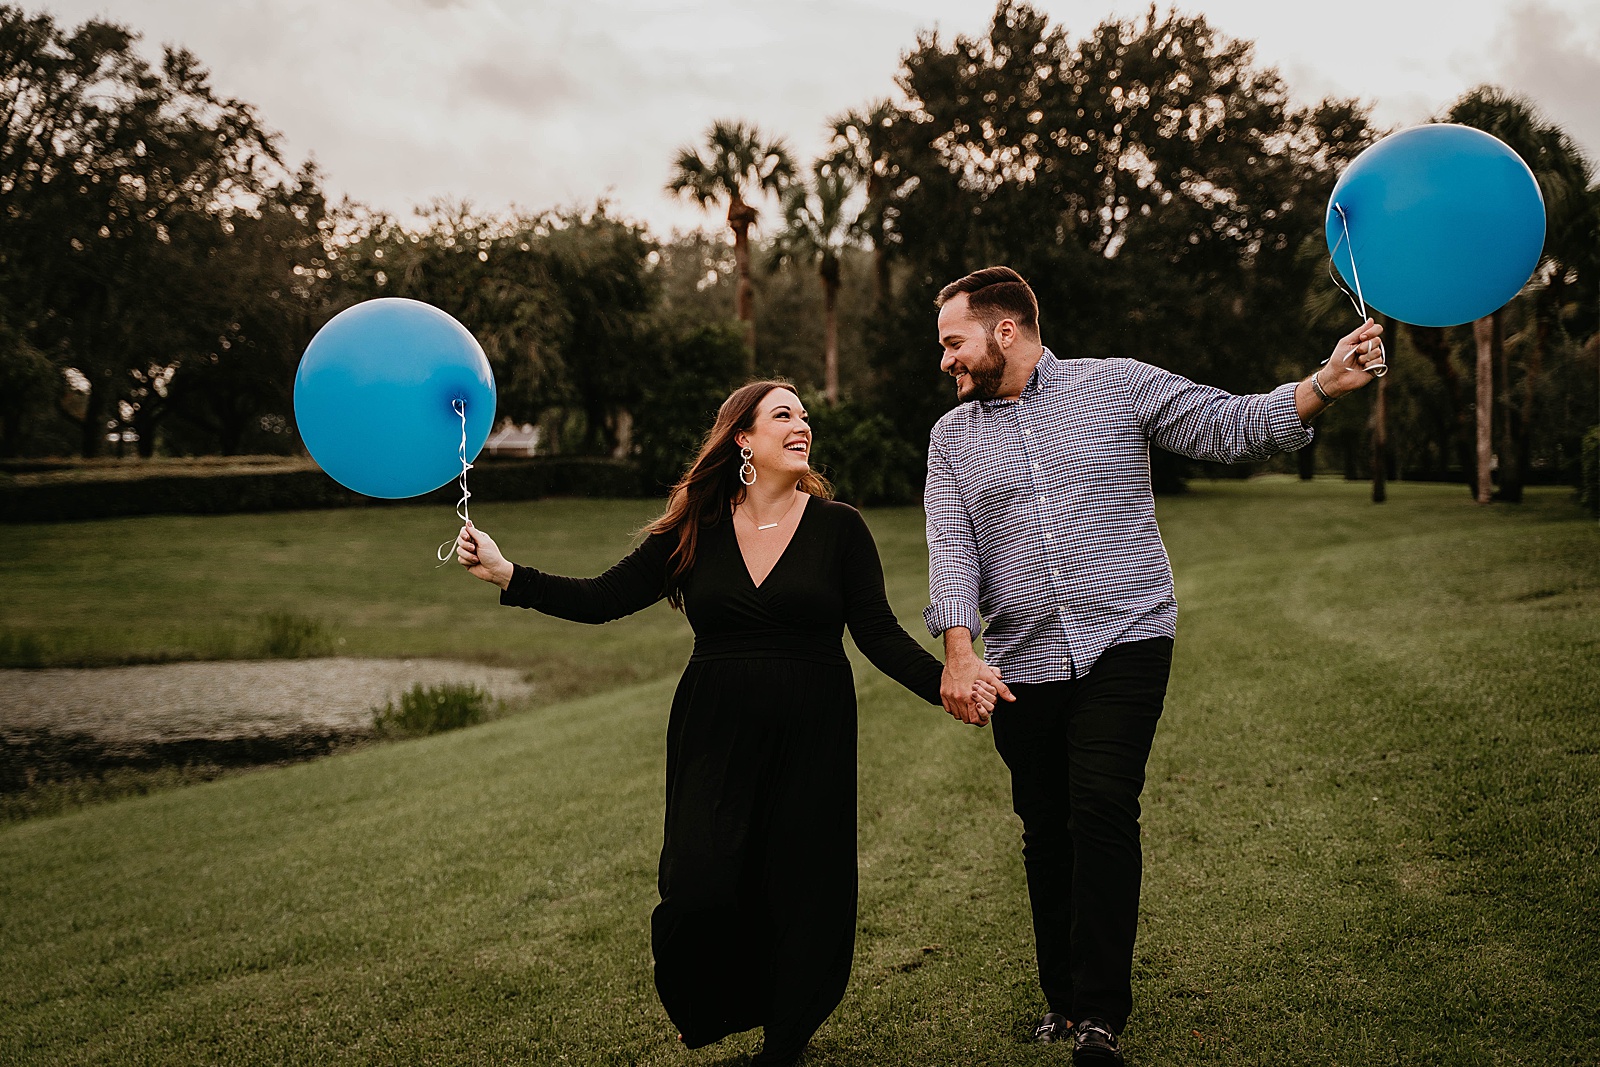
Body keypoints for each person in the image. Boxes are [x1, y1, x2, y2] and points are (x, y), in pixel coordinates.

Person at [455, 380, 1002, 1066]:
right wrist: (511, 574)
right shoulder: (695, 527)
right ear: (742, 437)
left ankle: (784, 1043)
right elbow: (603, 598)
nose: (801, 425)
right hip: (714, 729)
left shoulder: (840, 527)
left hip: (814, 729)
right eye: (783, 415)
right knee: (699, 884)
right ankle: (720, 1004)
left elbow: (878, 635)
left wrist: (950, 684)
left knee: (803, 886)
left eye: (804, 416)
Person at [923, 266, 1385, 1065]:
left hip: (1126, 636)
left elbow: (1227, 424)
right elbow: (952, 549)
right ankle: (1063, 1003)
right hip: (1023, 657)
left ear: (1005, 331)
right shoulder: (951, 440)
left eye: (953, 342)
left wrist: (1324, 383)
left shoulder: (1118, 386)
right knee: (1046, 827)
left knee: (1101, 802)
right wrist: (960, 649)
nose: (945, 361)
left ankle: (1099, 1018)